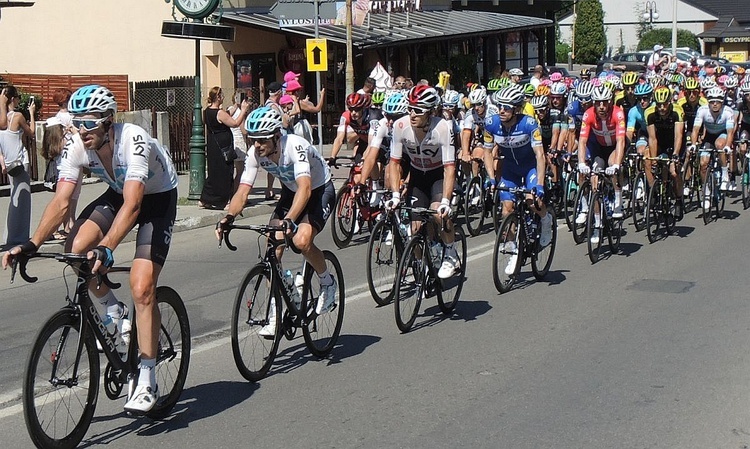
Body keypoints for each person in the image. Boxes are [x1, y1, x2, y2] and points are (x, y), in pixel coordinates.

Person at [2, 84, 179, 413]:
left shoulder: (133, 140)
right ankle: (115, 313)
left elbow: (135, 205)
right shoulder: (78, 145)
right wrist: (30, 243)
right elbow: (62, 200)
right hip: (119, 190)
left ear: (109, 121)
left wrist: (108, 247)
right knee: (78, 248)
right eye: (78, 122)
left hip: (155, 197)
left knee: (141, 286)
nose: (82, 131)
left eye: (90, 123)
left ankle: (147, 377)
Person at [215, 106, 337, 334]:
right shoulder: (255, 154)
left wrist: (290, 219)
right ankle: (275, 311)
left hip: (319, 190)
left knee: (301, 241)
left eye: (262, 140)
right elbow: (242, 192)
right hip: (292, 193)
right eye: (253, 140)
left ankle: (327, 281)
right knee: (272, 250)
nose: (257, 145)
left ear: (277, 136)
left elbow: (306, 188)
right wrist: (228, 217)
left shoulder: (295, 146)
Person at [384, 85, 460, 279]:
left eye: (418, 110)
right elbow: (394, 163)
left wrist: (446, 201)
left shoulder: (443, 127)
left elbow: (449, 167)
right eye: (410, 108)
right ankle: (424, 264)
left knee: (438, 214)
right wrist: (394, 194)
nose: (412, 114)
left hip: (438, 176)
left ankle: (451, 252)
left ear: (430, 112)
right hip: (418, 176)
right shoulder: (401, 126)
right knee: (414, 229)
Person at [483, 85, 553, 274]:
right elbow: (487, 153)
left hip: (530, 167)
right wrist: (491, 178)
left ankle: (546, 221)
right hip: (510, 171)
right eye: (500, 106)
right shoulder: (490, 123)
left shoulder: (529, 124)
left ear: (516, 109)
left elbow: (540, 155)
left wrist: (539, 184)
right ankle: (513, 250)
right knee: (507, 210)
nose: (502, 111)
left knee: (532, 202)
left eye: (506, 107)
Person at [576, 85, 627, 242]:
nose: (602, 107)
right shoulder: (588, 114)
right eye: (598, 103)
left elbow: (620, 141)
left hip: (614, 147)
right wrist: (581, 163)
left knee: (612, 163)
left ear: (610, 101)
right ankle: (597, 225)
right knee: (594, 180)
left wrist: (616, 165)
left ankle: (618, 202)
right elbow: (582, 141)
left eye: (605, 102)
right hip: (599, 147)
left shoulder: (618, 113)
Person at [200, 86, 250, 209]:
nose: (223, 97)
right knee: (225, 173)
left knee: (214, 172)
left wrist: (236, 107)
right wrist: (243, 110)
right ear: (217, 97)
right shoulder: (219, 113)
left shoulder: (207, 111)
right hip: (223, 147)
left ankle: (205, 199)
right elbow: (234, 123)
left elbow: (226, 115)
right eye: (221, 95)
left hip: (213, 144)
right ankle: (223, 200)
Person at [0, 85, 35, 249]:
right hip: (20, 161)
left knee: (14, 197)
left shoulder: (2, 118)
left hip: (9, 162)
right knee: (23, 200)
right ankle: (19, 236)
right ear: (13, 99)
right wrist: (32, 113)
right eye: (18, 98)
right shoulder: (18, 116)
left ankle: (10, 235)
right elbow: (32, 132)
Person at [227, 89, 249, 193]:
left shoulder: (230, 109)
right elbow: (244, 130)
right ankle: (236, 193)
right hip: (240, 142)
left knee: (236, 170)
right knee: (241, 172)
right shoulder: (240, 112)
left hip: (232, 140)